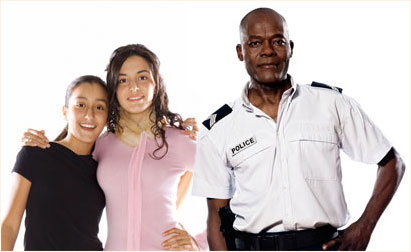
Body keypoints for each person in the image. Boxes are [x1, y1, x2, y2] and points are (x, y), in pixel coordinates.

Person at [192, 7, 405, 251]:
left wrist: (365, 227)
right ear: (240, 52)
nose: (268, 51)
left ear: (290, 47)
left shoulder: (331, 104)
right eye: (255, 43)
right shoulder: (219, 129)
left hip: (324, 245)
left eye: (278, 41)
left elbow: (392, 162)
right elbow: (216, 218)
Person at [20, 44, 206, 251]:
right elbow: (67, 164)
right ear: (114, 90)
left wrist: (200, 241)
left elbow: (234, 182)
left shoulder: (178, 140)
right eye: (123, 80)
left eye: (142, 78)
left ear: (156, 84)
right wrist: (38, 146)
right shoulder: (102, 145)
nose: (134, 87)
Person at [1, 75, 108, 250]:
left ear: (106, 117)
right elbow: (9, 227)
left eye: (99, 107)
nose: (90, 114)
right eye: (81, 105)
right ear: (65, 112)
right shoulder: (35, 154)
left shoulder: (105, 168)